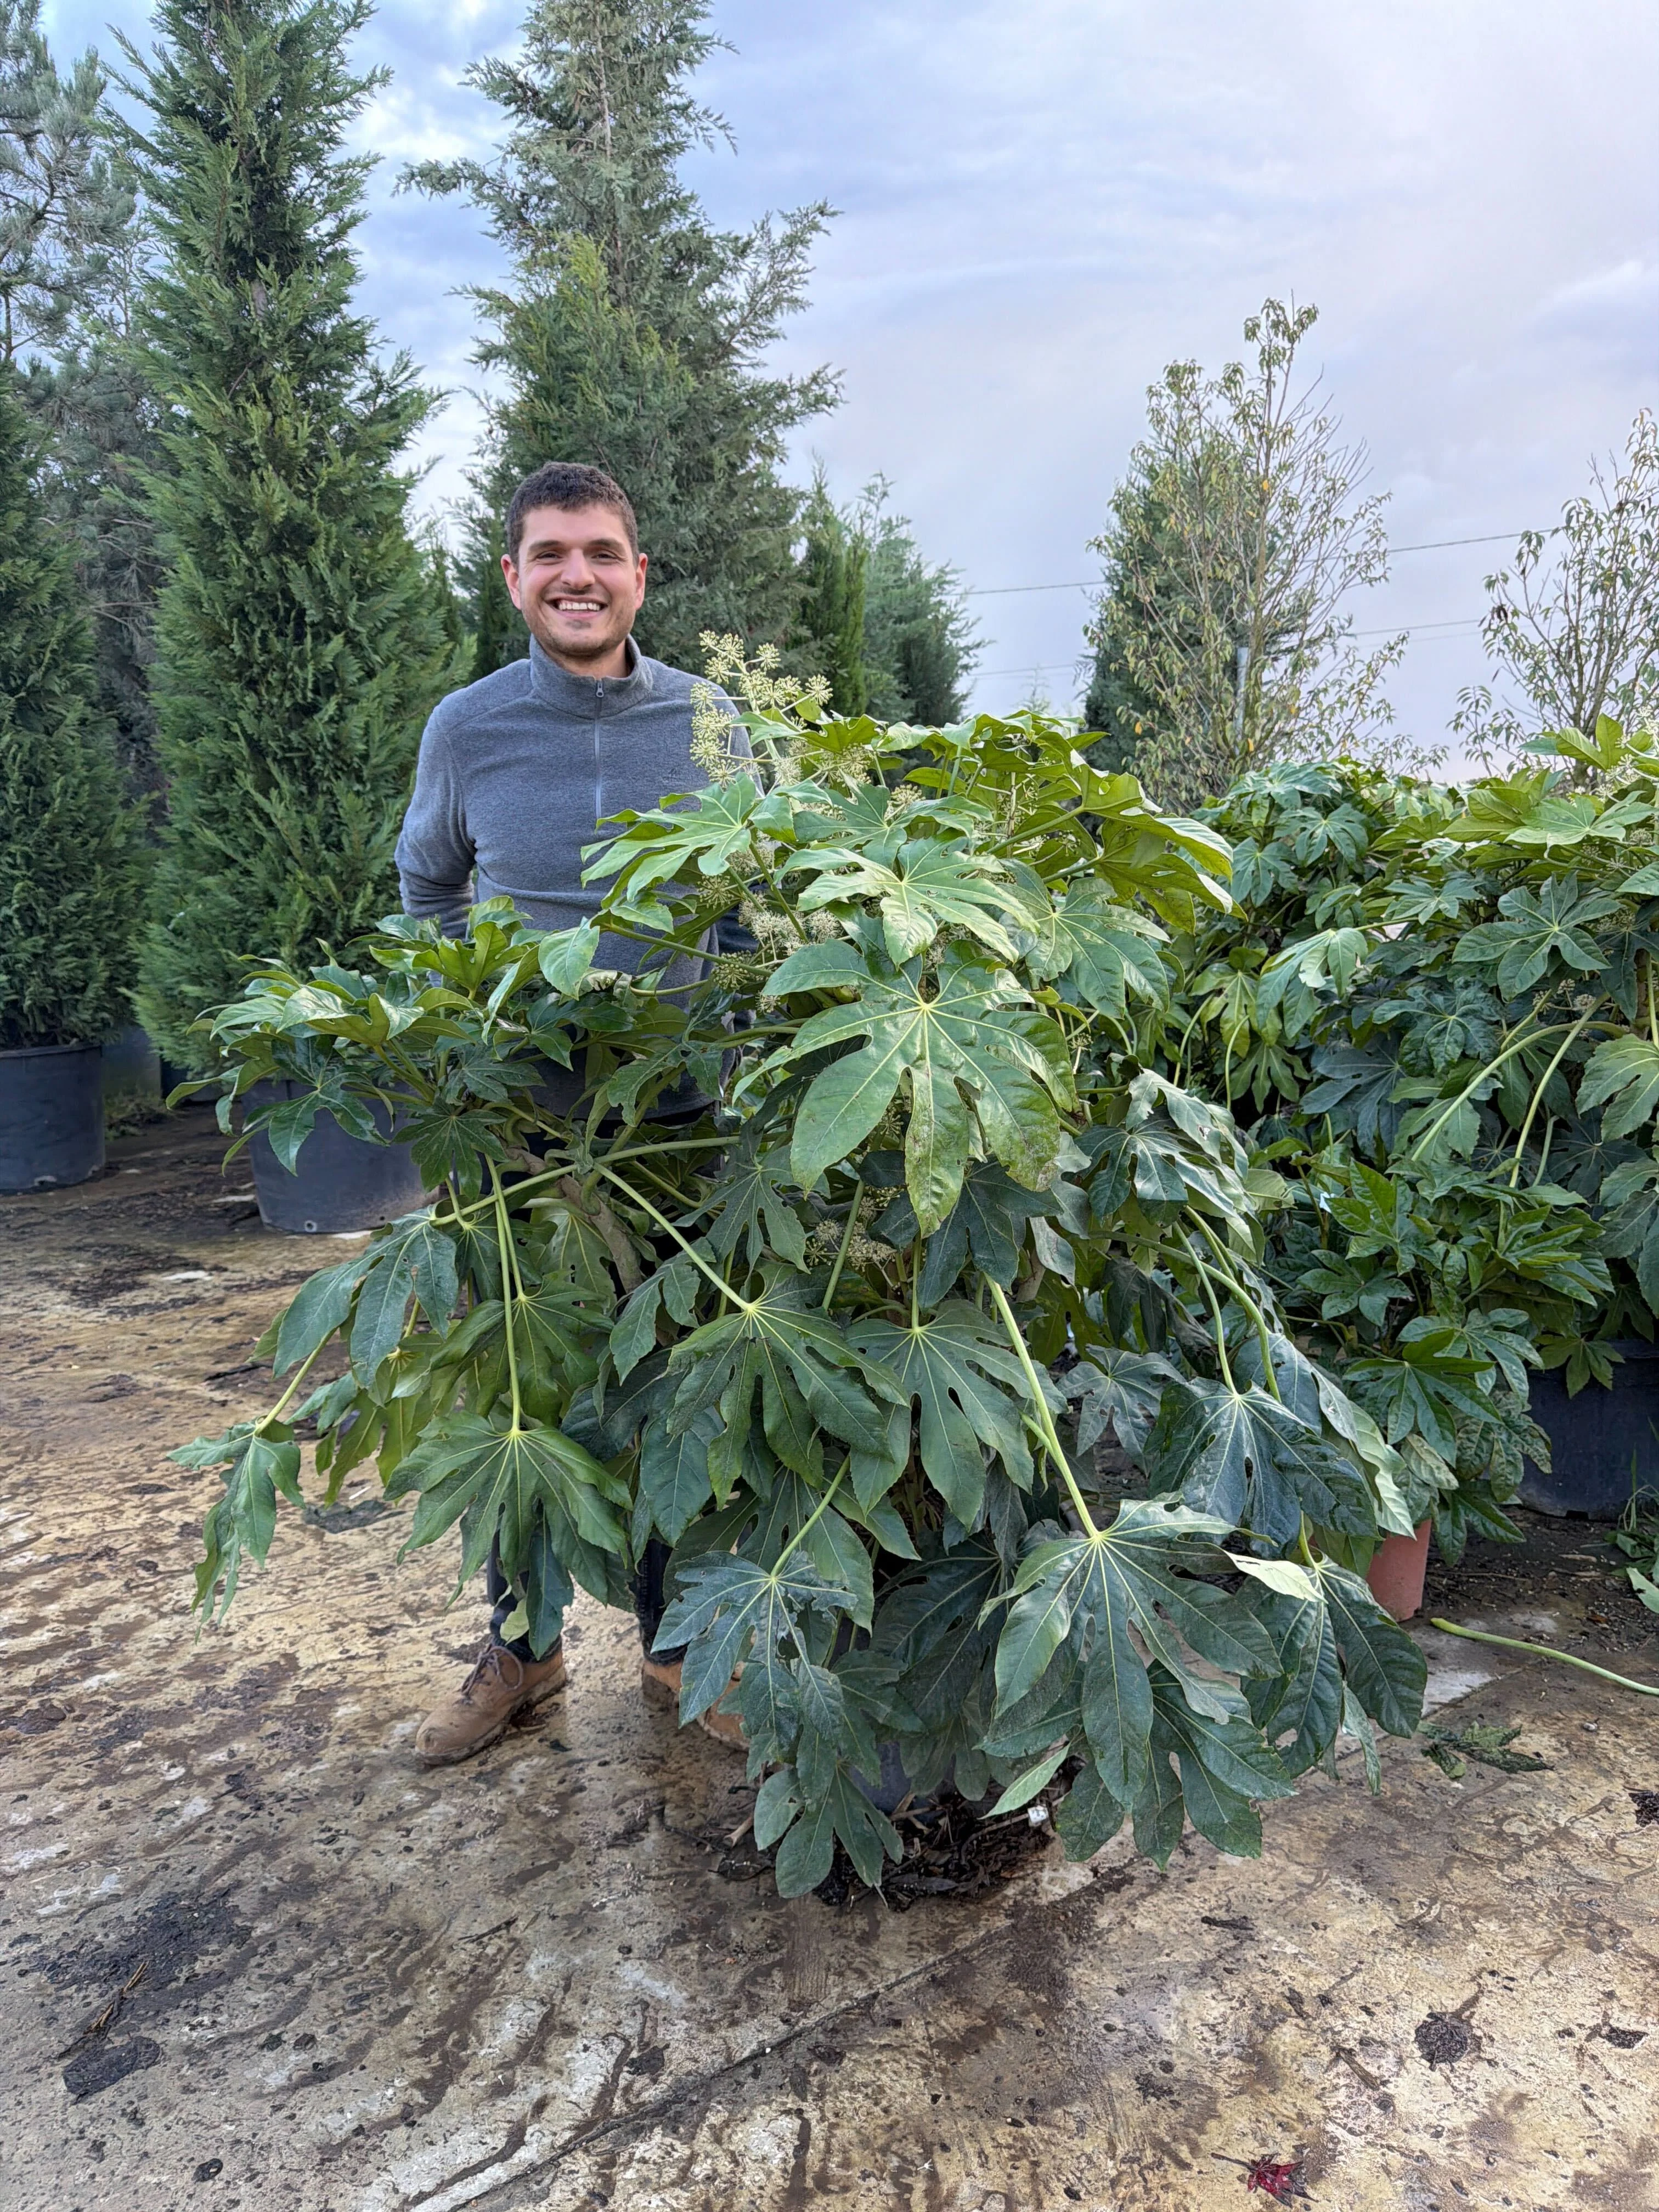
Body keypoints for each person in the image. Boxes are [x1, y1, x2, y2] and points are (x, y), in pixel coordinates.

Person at [394, 460, 748, 1765]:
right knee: (524, 1391)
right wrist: (466, 1027)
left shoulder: (710, 719)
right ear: (514, 578)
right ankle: (523, 1647)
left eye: (601, 552)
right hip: (522, 1131)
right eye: (550, 554)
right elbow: (426, 887)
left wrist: (737, 1046)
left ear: (638, 574)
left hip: (674, 1125)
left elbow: (748, 905)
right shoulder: (467, 727)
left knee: (669, 1390)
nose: (577, 576)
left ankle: (674, 1647)